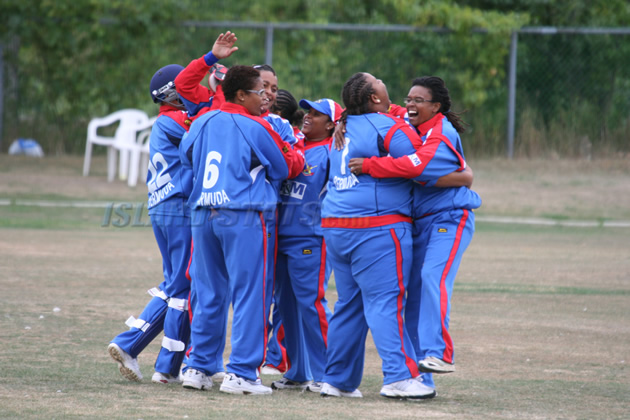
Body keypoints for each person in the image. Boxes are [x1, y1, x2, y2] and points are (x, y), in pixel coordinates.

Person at [348, 76, 481, 396]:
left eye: (418, 100)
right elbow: (371, 107)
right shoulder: (405, 119)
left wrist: (371, 165)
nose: (410, 104)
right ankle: (421, 378)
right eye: (409, 98)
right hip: (417, 223)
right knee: (414, 299)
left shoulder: (441, 131)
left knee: (433, 275)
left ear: (436, 107)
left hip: (449, 218)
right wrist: (341, 121)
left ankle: (440, 352)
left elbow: (417, 167)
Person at [180, 65, 304, 395]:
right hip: (244, 215)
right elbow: (285, 166)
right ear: (240, 94)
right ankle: (241, 373)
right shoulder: (255, 125)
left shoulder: (203, 119)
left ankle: (198, 367)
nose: (265, 98)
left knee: (208, 292)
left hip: (203, 213)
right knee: (252, 294)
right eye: (259, 92)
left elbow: (186, 155)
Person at [319, 72, 436, 400]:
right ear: (374, 97)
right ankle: (399, 377)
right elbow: (423, 164)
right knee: (385, 301)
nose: (384, 81)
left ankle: (337, 380)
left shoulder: (343, 126)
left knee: (350, 304)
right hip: (376, 226)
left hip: (336, 225)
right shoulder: (387, 127)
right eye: (378, 81)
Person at [108, 64, 193, 385]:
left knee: (175, 284)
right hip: (178, 207)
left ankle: (131, 345)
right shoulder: (176, 120)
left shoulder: (164, 121)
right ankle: (167, 366)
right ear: (174, 93)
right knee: (183, 287)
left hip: (161, 206)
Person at [270, 98, 341, 393]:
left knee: (312, 304)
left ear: (332, 124)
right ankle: (298, 372)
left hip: (311, 238)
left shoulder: (332, 151)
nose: (308, 117)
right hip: (281, 236)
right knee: (286, 307)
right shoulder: (295, 144)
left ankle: (329, 374)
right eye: (308, 112)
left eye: (317, 114)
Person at [174, 31, 238, 119]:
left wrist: (222, 87)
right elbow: (182, 84)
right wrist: (211, 57)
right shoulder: (207, 100)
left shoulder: (251, 103)